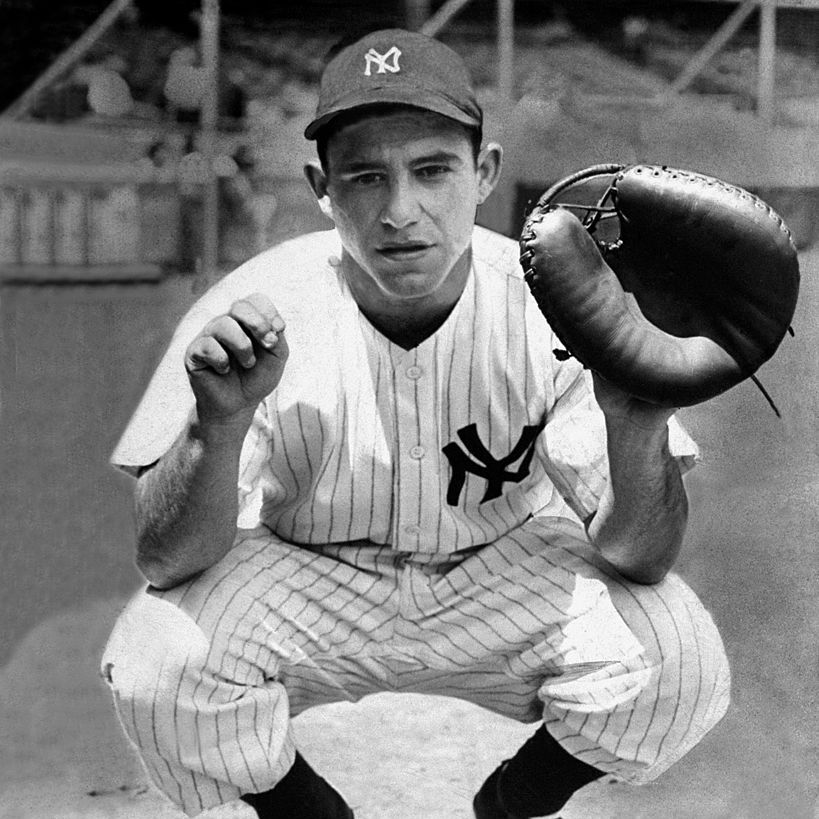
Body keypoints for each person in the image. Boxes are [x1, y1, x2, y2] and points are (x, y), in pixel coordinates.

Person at [101, 28, 730, 819]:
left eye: (432, 170)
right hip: (307, 578)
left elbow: (636, 556)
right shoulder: (255, 304)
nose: (401, 211)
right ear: (320, 186)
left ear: (484, 172)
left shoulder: (561, 304)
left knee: (680, 659)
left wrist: (637, 424)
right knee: (155, 658)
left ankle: (509, 803)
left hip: (500, 574)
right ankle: (306, 812)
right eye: (366, 177)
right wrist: (214, 427)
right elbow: (166, 559)